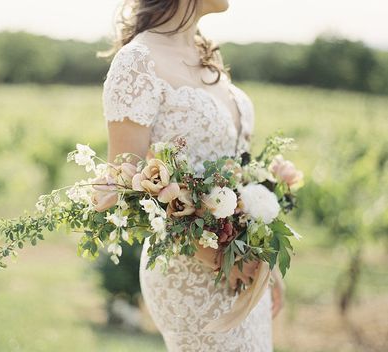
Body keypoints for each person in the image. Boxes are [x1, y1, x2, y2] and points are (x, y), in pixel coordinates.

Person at [101, 1, 284, 350]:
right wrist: (216, 256)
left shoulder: (205, 55)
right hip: (189, 270)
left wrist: (265, 261)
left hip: (243, 267)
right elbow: (125, 185)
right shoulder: (138, 61)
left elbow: (236, 170)